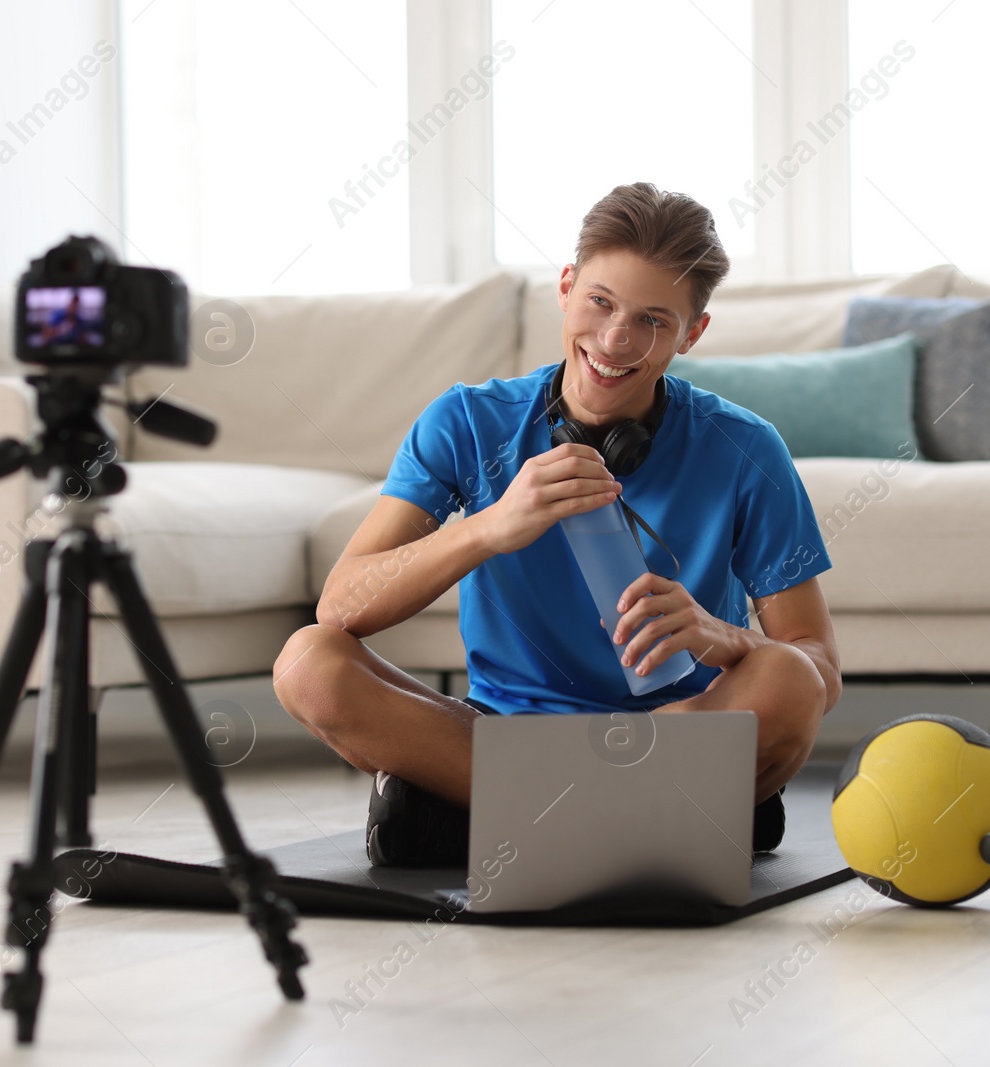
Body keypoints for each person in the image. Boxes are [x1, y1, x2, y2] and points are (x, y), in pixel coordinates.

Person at [272, 182, 841, 866]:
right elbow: (341, 606)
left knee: (789, 682)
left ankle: (494, 817)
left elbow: (818, 668)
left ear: (693, 332)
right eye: (600, 302)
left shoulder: (746, 448)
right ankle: (655, 820)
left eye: (654, 320)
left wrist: (718, 635)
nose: (614, 339)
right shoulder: (469, 421)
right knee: (308, 662)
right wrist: (489, 526)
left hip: (678, 730)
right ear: (567, 288)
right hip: (503, 737)